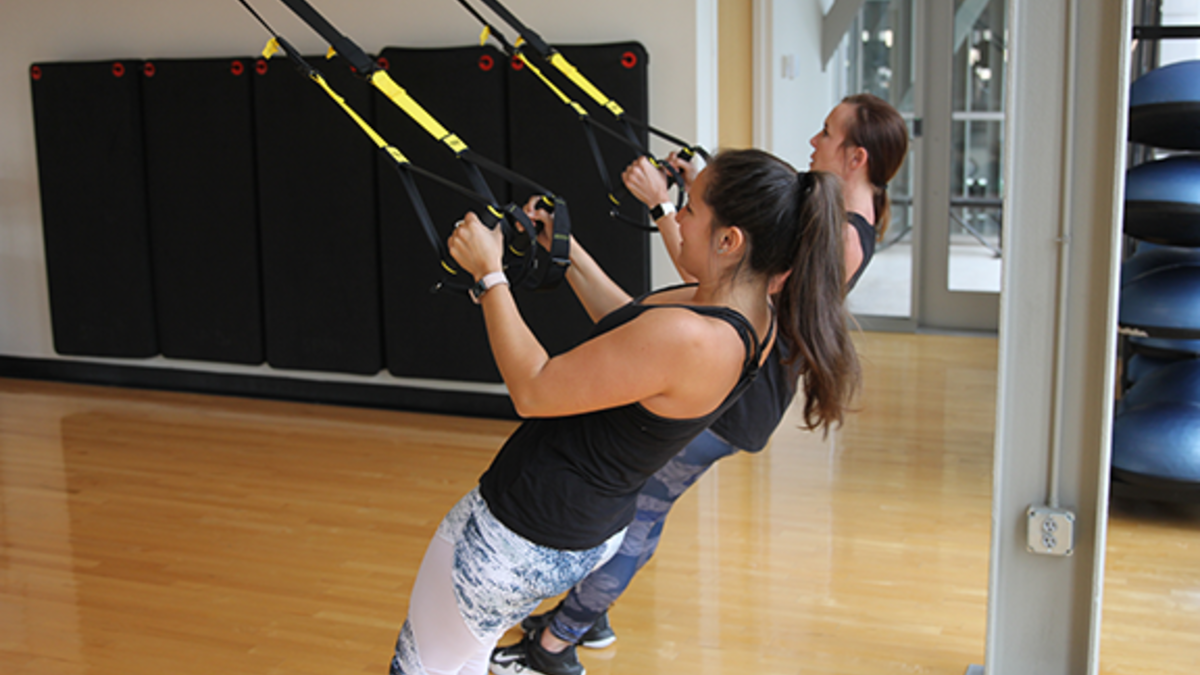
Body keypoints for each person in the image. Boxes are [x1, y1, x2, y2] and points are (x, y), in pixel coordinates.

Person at [387, 148, 859, 675]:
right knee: (461, 659)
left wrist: (489, 277)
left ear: (730, 241)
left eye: (691, 209)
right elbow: (630, 331)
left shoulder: (694, 338)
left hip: (522, 534)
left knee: (425, 668)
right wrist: (564, 250)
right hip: (579, 525)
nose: (676, 215)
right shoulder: (749, 314)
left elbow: (534, 390)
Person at [490, 93, 908, 675]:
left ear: (856, 156)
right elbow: (685, 293)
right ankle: (586, 616)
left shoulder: (831, 243)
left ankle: (555, 646)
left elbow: (713, 281)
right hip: (739, 390)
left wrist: (664, 208)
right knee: (634, 512)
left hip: (732, 403)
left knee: (637, 516)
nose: (815, 140)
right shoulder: (833, 220)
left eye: (828, 133)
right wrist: (577, 247)